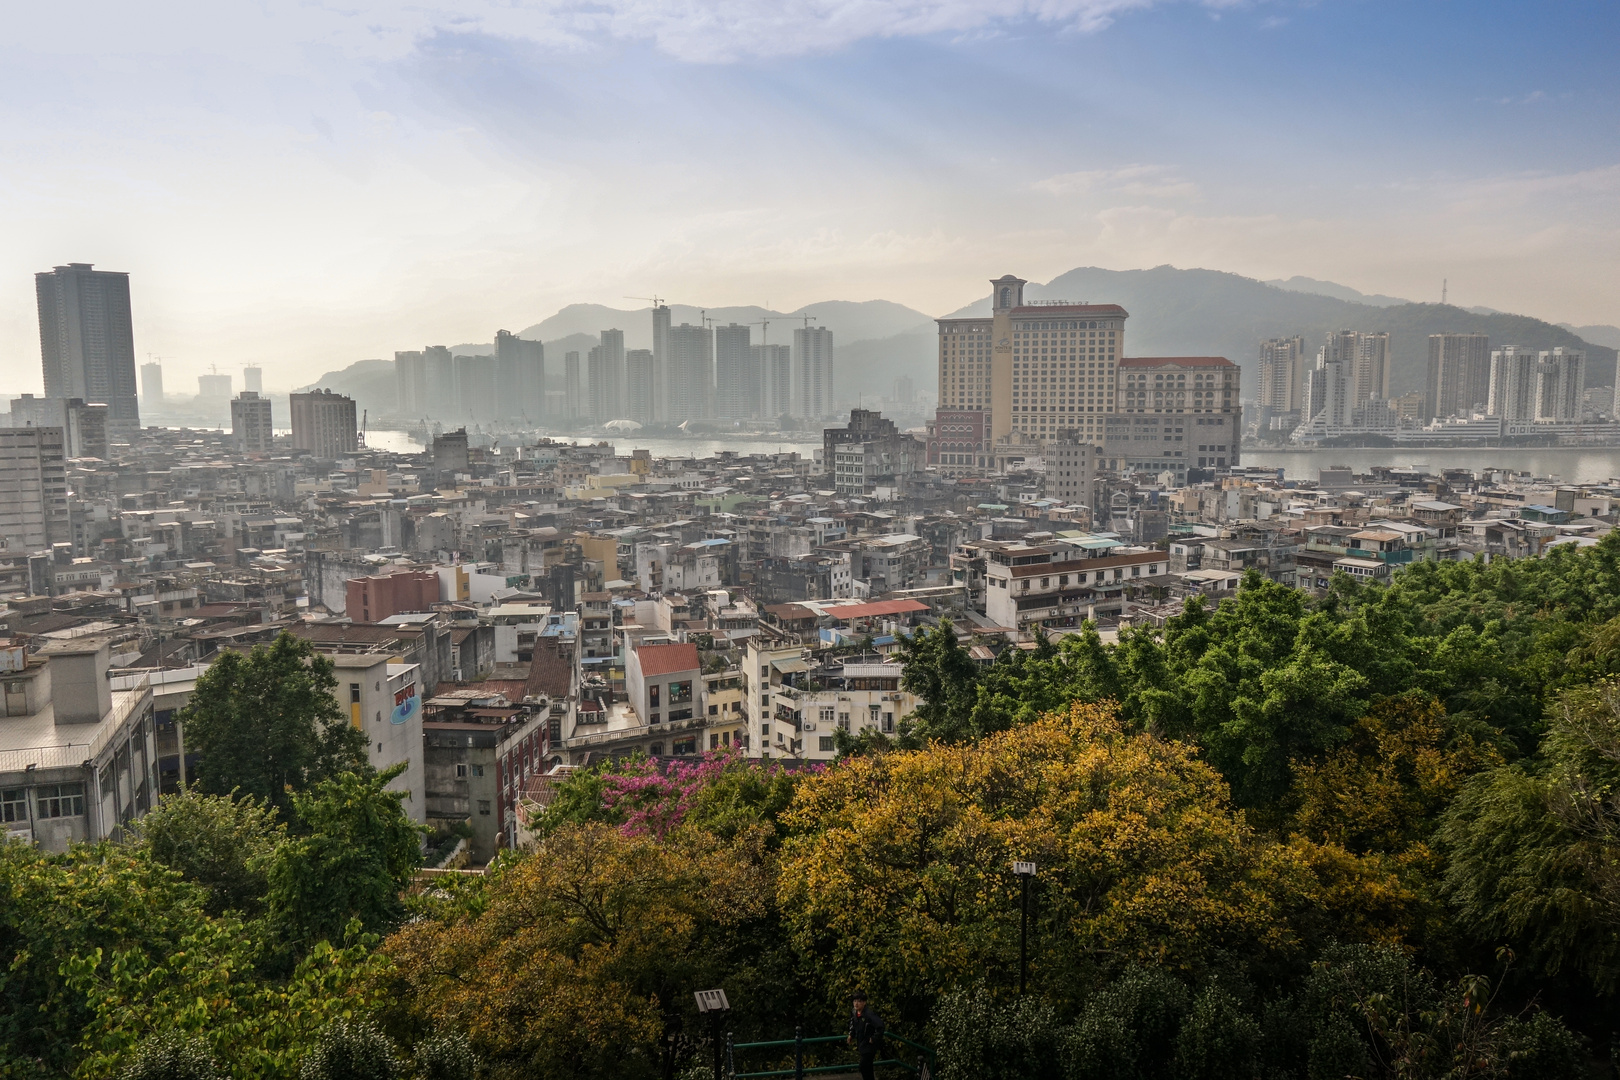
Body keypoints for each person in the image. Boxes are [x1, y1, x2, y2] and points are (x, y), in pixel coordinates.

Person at [847, 991, 885, 1080]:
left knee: (863, 1066)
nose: (856, 1004)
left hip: (869, 1045)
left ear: (864, 1002)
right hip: (861, 1043)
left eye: (859, 1001)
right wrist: (851, 1034)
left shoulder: (869, 1014)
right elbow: (853, 1024)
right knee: (868, 1068)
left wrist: (874, 1038)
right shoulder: (854, 1012)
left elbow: (880, 1026)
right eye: (854, 1001)